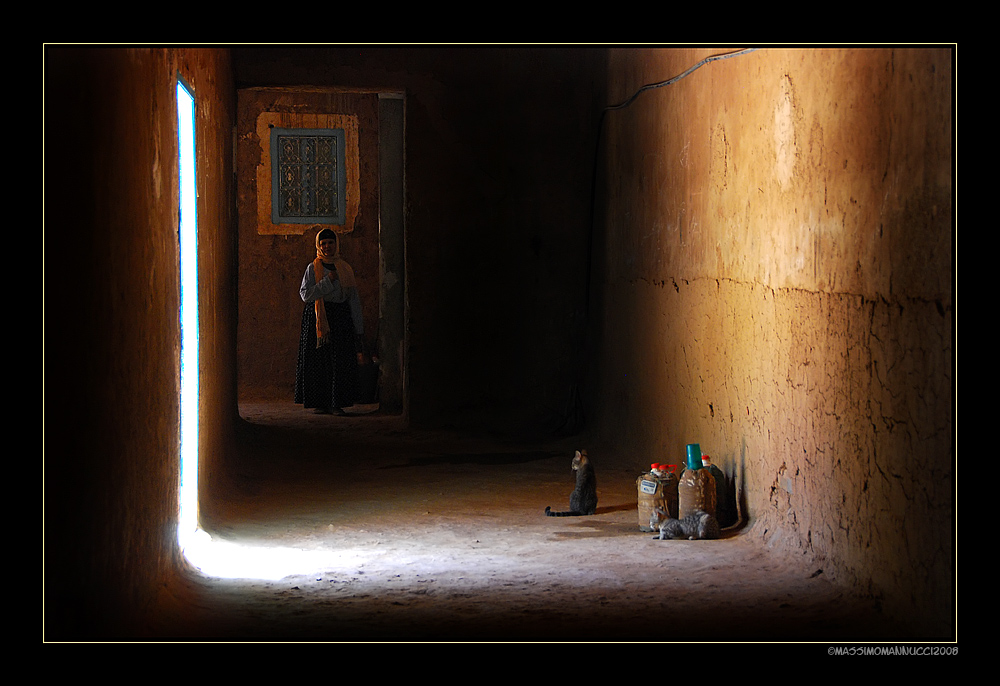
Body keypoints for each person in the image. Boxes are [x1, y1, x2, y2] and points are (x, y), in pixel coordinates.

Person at [294, 227, 365, 414]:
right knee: (319, 362)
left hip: (340, 319)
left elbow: (353, 299)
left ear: (336, 244)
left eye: (330, 243)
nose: (327, 247)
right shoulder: (313, 268)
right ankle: (321, 402)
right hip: (319, 320)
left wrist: (358, 327)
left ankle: (337, 403)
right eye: (323, 243)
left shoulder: (345, 269)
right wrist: (328, 282)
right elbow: (306, 294)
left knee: (339, 361)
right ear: (318, 246)